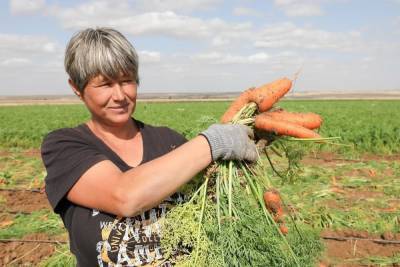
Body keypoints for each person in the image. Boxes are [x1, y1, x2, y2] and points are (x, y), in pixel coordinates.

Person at [41, 27, 257, 267]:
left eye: (127, 81)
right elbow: (124, 196)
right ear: (77, 89)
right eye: (105, 84)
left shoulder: (170, 141)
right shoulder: (64, 146)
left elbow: (210, 208)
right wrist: (214, 142)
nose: (120, 95)